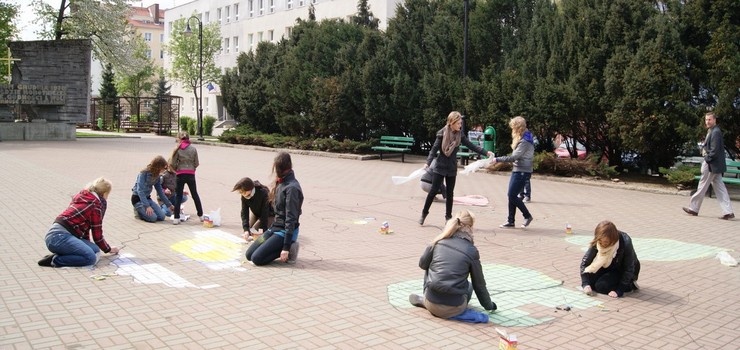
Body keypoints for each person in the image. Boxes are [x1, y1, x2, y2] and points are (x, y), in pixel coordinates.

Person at [408, 210, 497, 319]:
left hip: (431, 301)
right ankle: (444, 306)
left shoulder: (438, 241)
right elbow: (479, 285)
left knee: (430, 266)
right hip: (455, 308)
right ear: (470, 228)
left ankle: (426, 301)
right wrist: (489, 306)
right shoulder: (471, 250)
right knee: (469, 285)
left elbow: (422, 264)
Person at [419, 111, 494, 225]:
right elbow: (434, 149)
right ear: (452, 123)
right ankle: (424, 213)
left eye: (460, 123)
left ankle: (448, 218)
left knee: (450, 194)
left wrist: (485, 152)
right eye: (458, 123)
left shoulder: (460, 135)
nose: (460, 125)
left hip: (452, 167)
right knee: (433, 191)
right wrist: (428, 163)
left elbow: (471, 145)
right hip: (440, 166)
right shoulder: (441, 133)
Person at [38, 177, 120, 267]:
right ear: (105, 193)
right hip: (59, 237)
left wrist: (86, 246)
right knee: (90, 258)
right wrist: (108, 249)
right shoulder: (95, 204)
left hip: (58, 235)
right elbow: (97, 235)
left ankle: (65, 254)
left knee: (95, 250)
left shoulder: (84, 196)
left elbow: (85, 228)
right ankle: (54, 260)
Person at [246, 152, 303, 265]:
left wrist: (286, 247)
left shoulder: (292, 188)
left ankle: (291, 247)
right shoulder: (281, 183)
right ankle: (279, 246)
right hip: (275, 228)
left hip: (285, 231)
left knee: (257, 259)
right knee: (249, 255)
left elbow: (291, 218)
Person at [682, 112, 734, 220]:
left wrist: (707, 159)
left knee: (702, 185)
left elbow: (714, 151)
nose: (707, 122)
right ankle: (728, 212)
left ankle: (693, 208)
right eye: (706, 120)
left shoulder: (715, 132)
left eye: (709, 120)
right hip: (714, 164)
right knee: (720, 188)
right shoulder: (712, 131)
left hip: (711, 164)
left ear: (715, 120)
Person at [491, 116, 534, 228]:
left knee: (512, 195)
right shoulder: (524, 137)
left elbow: (514, 157)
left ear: (517, 128)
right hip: (519, 170)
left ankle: (527, 215)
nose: (512, 129)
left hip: (522, 171)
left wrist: (497, 159)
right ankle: (510, 221)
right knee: (512, 195)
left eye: (513, 127)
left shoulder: (524, 141)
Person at [580, 221, 640, 298]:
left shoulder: (625, 241)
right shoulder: (599, 239)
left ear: (613, 239)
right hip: (607, 266)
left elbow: (629, 267)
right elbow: (585, 261)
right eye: (600, 241)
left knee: (601, 287)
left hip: (621, 270)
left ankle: (630, 285)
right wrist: (585, 284)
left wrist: (620, 290)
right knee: (590, 281)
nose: (602, 244)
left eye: (605, 242)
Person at [169, 131, 204, 224]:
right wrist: (192, 169)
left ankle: (176, 218)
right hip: (191, 174)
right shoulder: (193, 149)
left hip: (180, 174)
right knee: (195, 194)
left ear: (179, 139)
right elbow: (196, 163)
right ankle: (201, 215)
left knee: (178, 196)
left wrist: (176, 170)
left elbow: (172, 163)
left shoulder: (177, 149)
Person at [132, 155, 174, 222]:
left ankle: (146, 210)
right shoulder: (143, 173)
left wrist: (169, 205)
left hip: (147, 198)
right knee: (153, 218)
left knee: (162, 217)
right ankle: (138, 212)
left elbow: (160, 192)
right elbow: (140, 191)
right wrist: (147, 206)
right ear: (158, 167)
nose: (164, 171)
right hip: (138, 199)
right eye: (163, 168)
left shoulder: (157, 176)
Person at [232, 177, 275, 241]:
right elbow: (244, 212)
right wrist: (246, 229)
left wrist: (262, 230)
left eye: (243, 192)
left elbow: (265, 213)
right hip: (256, 213)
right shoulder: (244, 195)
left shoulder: (263, 193)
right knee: (248, 231)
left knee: (255, 232)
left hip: (269, 214)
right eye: (240, 192)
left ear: (250, 189)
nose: (242, 194)